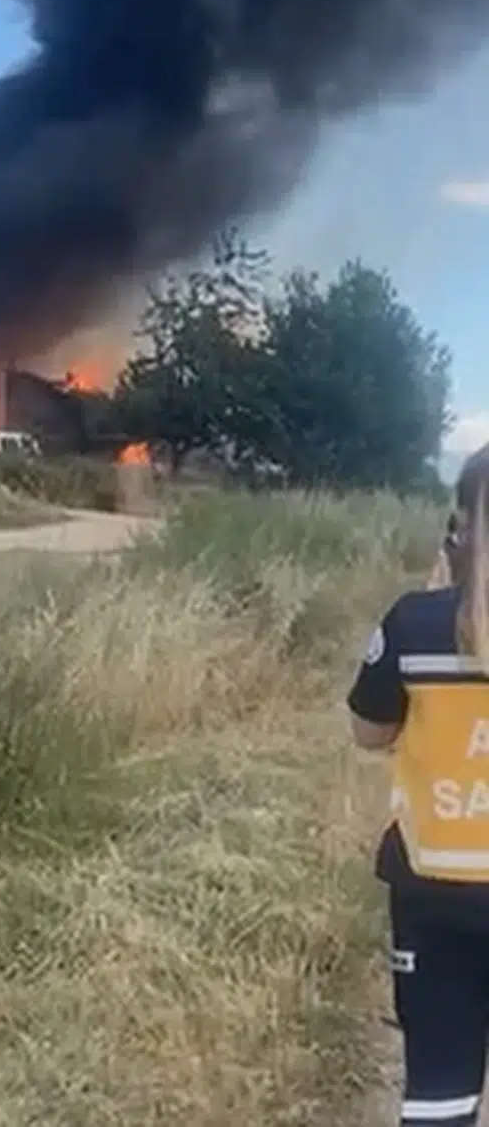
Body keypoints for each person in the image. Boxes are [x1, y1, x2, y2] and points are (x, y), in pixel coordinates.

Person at [349, 444, 489, 1127]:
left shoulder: (415, 623)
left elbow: (369, 733)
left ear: (461, 524)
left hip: (436, 897)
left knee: (440, 1095)